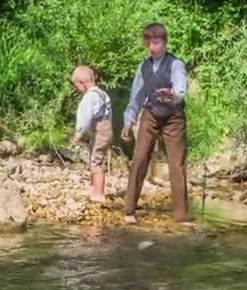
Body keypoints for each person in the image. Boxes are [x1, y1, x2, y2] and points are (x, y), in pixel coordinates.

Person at [121, 23, 192, 225]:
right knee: (140, 157)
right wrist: (129, 121)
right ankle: (129, 210)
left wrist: (173, 95)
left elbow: (180, 90)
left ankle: (181, 215)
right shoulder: (143, 66)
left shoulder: (175, 64)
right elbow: (136, 96)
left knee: (176, 164)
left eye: (157, 42)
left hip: (173, 117)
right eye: (150, 43)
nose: (153, 47)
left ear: (165, 42)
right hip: (150, 114)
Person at [70, 65, 113, 203]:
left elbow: (85, 117)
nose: (76, 89)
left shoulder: (90, 97)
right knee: (93, 157)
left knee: (96, 161)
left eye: (76, 86)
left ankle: (99, 193)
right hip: (105, 128)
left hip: (100, 130)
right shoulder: (102, 93)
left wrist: (79, 134)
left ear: (82, 83)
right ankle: (93, 187)